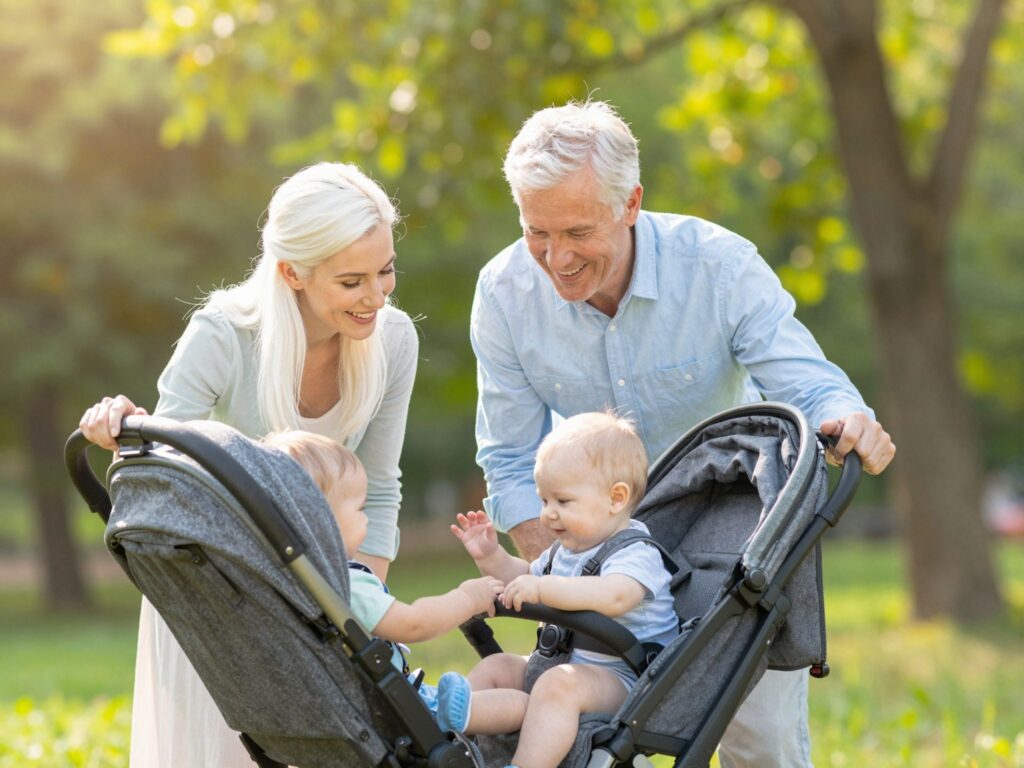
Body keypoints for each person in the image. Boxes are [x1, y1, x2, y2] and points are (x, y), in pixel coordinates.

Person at [470, 100, 897, 767]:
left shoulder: (719, 267)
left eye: (577, 231)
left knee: (762, 742)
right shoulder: (502, 294)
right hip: (599, 551)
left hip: (728, 544)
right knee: (606, 745)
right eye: (536, 232)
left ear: (631, 202)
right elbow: (508, 453)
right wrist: (556, 569)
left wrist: (851, 418)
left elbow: (809, 386)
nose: (555, 258)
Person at [79, 163, 418, 767]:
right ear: (292, 273)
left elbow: (383, 488)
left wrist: (358, 611)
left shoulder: (392, 340)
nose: (376, 296)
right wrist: (123, 429)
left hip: (323, 604)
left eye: (385, 271)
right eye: (351, 281)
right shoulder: (223, 334)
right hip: (218, 603)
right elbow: (163, 477)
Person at [443, 412, 679, 768]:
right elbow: (523, 578)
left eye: (562, 502)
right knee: (497, 667)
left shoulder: (635, 552)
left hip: (624, 681)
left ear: (616, 498)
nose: (548, 515)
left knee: (559, 685)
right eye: (543, 501)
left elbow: (616, 596)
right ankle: (448, 737)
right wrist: (491, 557)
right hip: (558, 664)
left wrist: (545, 588)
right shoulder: (565, 552)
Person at [263, 430, 499, 718]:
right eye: (360, 508)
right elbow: (415, 624)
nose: (367, 518)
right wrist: (470, 597)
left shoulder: (278, 584)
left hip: (344, 715)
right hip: (401, 715)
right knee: (520, 705)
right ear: (322, 521)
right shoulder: (342, 585)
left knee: (497, 671)